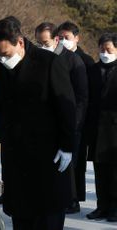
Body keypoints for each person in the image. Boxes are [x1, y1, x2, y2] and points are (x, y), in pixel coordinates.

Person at [0, 17, 76, 230]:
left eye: (6, 54)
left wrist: (67, 146)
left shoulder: (49, 62)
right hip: (16, 152)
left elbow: (66, 107)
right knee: (21, 214)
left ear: (19, 42)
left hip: (47, 151)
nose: (2, 59)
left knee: (47, 214)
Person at [35, 22, 88, 214]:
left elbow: (81, 97)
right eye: (38, 42)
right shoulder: (39, 59)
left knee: (69, 164)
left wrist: (75, 122)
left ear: (56, 39)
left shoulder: (73, 60)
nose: (42, 46)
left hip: (70, 120)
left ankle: (71, 200)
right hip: (47, 121)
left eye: (45, 42)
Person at [57, 21, 95, 210]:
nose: (64, 41)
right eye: (61, 38)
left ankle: (74, 198)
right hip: (63, 117)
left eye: (67, 38)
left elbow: (86, 95)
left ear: (77, 38)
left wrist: (80, 120)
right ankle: (67, 197)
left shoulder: (85, 60)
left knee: (77, 162)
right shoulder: (57, 57)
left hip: (80, 118)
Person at [0, 15, 22, 205]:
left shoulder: (25, 57)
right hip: (4, 114)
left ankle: (18, 192)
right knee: (6, 159)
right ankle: (7, 191)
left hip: (21, 118)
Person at [86, 33, 117, 222]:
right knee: (99, 170)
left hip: (115, 129)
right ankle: (102, 206)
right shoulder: (92, 69)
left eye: (109, 50)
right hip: (97, 127)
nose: (105, 53)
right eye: (102, 49)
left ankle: (115, 208)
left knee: (115, 171)